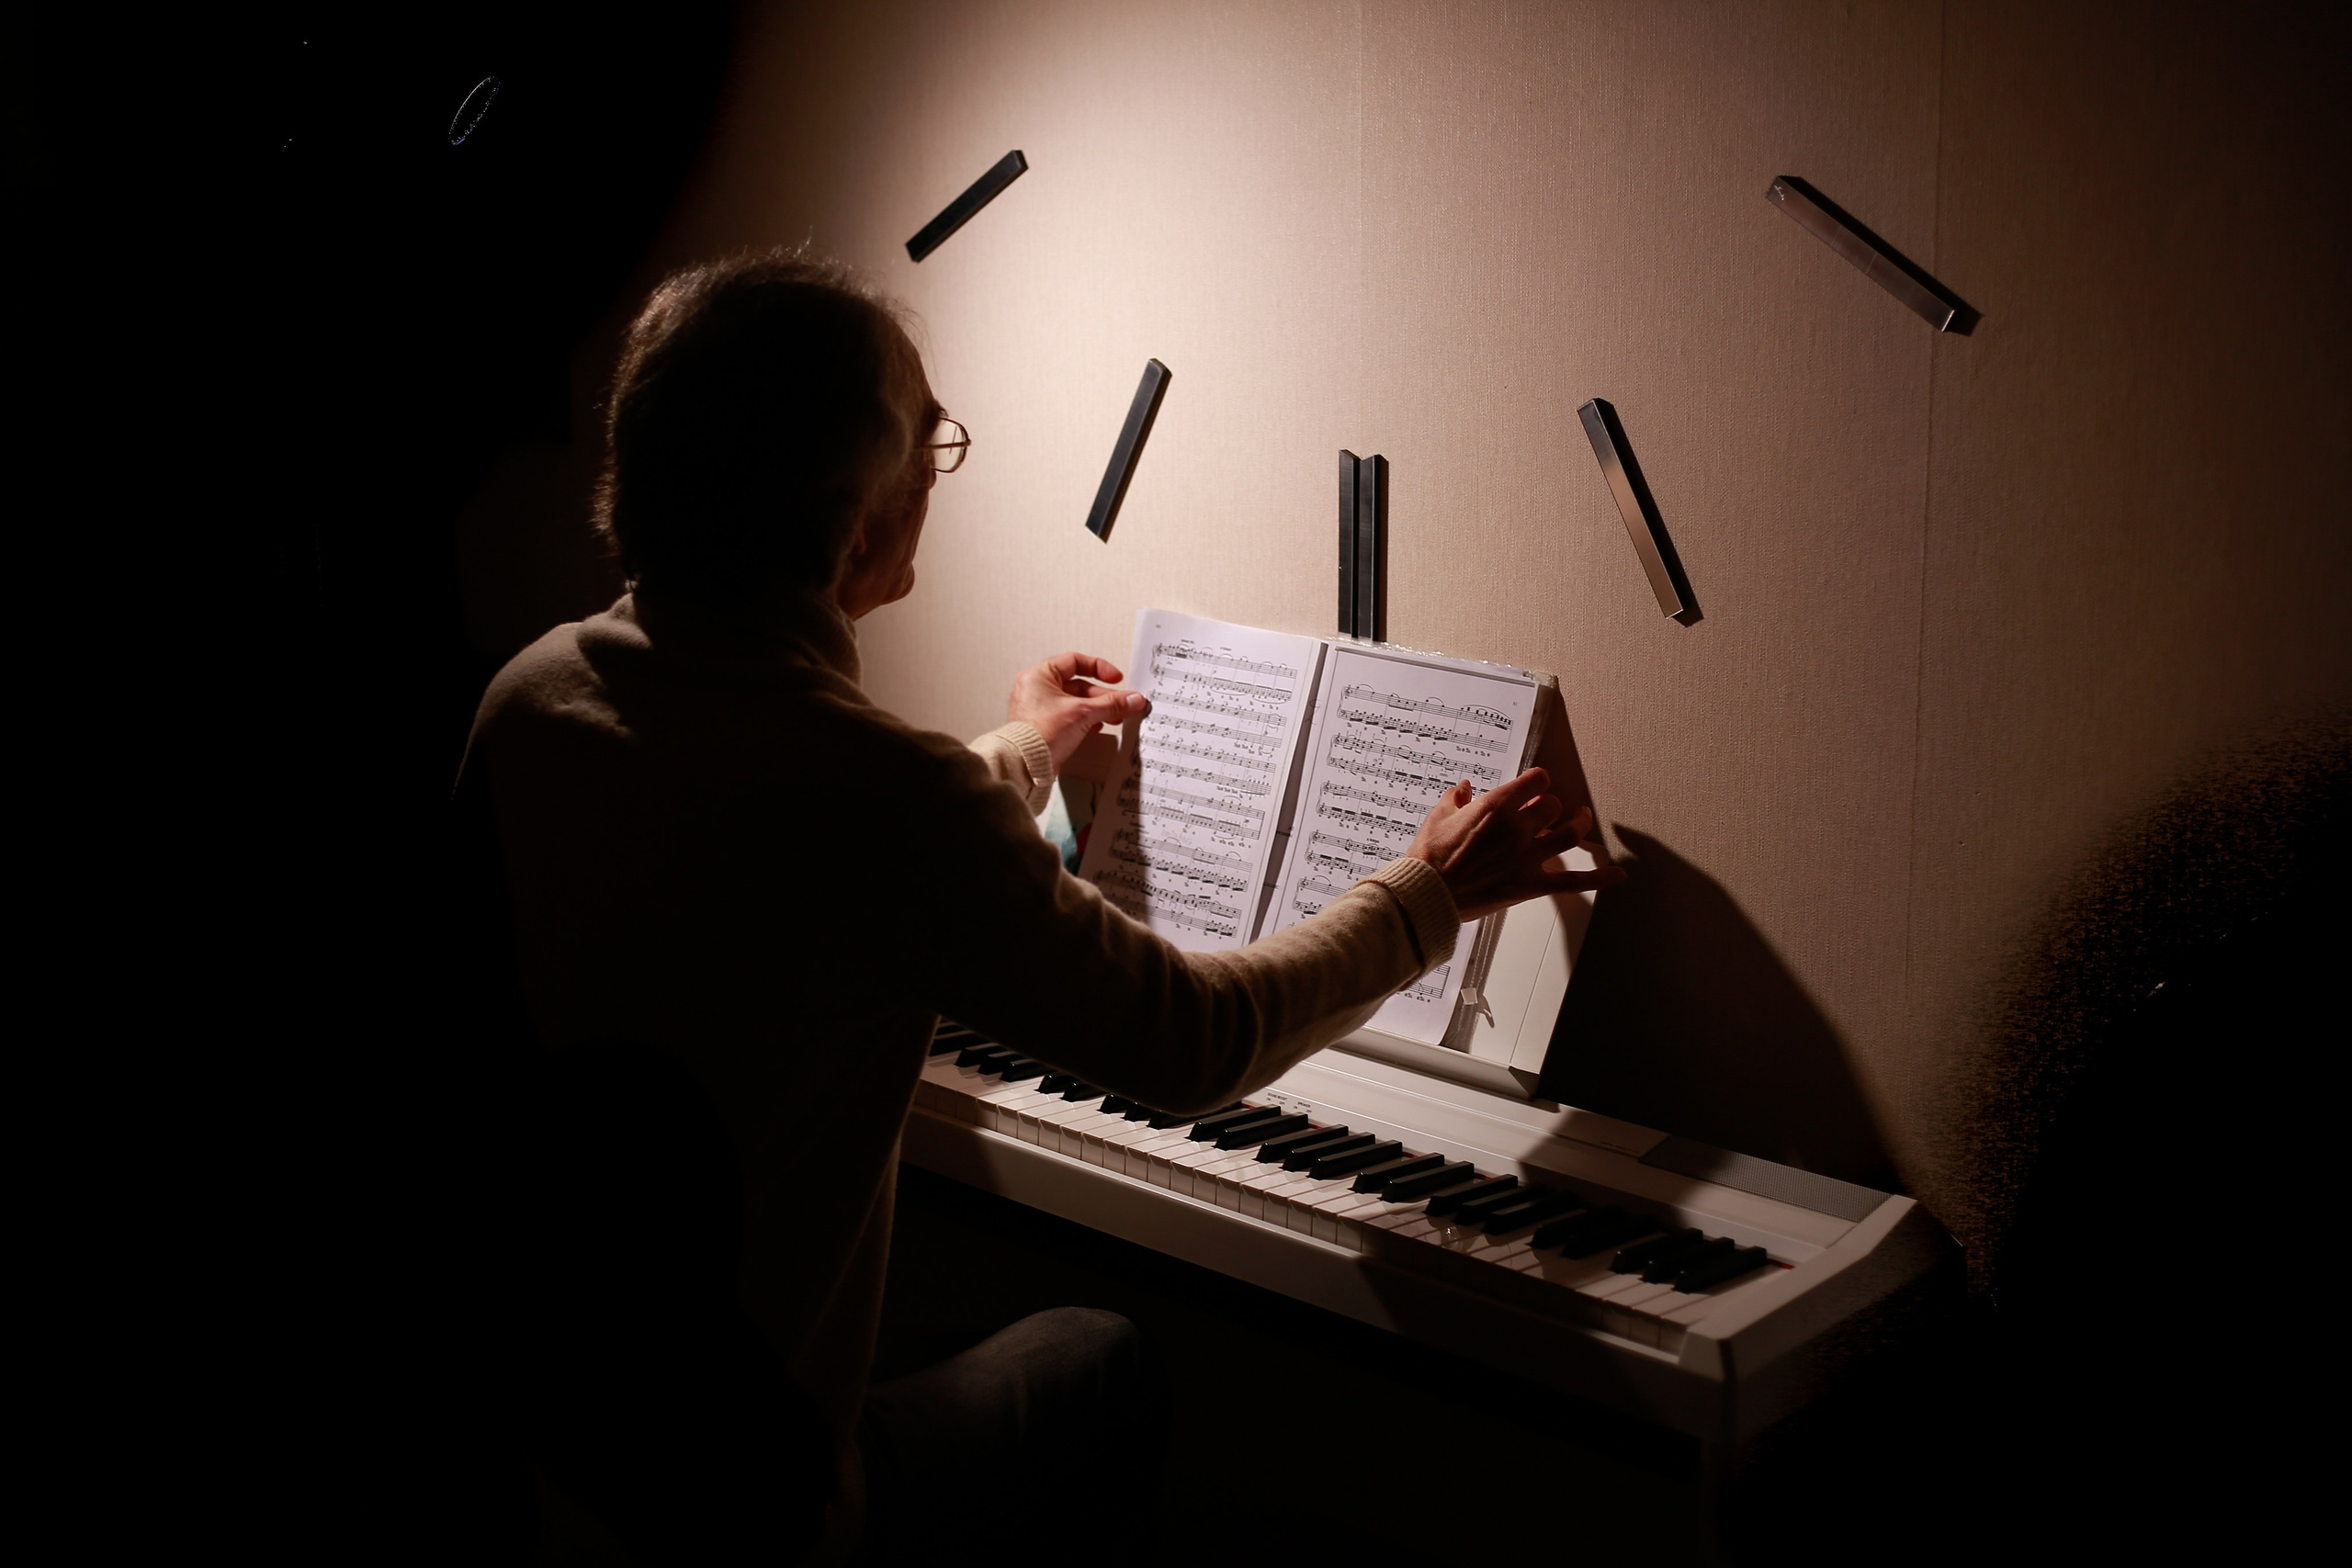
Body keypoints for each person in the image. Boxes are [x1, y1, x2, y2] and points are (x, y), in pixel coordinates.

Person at [467, 250, 1623, 1563]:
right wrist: (1428, 894)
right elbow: (1191, 1041)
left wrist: (1024, 750)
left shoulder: (535, 696)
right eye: (930, 444)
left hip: (543, 1467)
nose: (933, 476)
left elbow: (800, 817)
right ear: (859, 523)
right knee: (1098, 1358)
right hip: (750, 1518)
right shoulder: (882, 800)